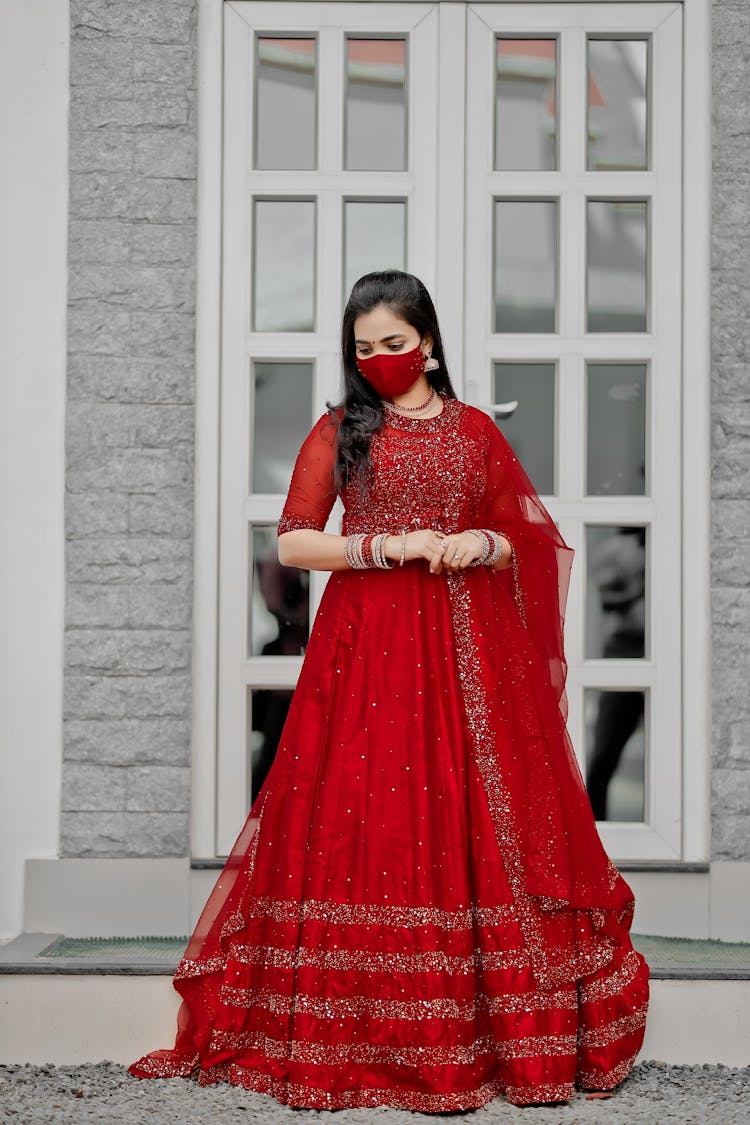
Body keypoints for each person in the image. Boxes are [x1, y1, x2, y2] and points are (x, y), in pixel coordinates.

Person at [129, 270, 649, 1111]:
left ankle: (487, 1035)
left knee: (473, 806)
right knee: (364, 807)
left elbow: (526, 535)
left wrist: (479, 541)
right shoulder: (342, 430)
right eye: (363, 348)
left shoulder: (476, 432)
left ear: (430, 344)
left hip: (467, 651)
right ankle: (361, 1029)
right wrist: (385, 546)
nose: (378, 360)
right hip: (367, 644)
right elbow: (296, 542)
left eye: (393, 344)